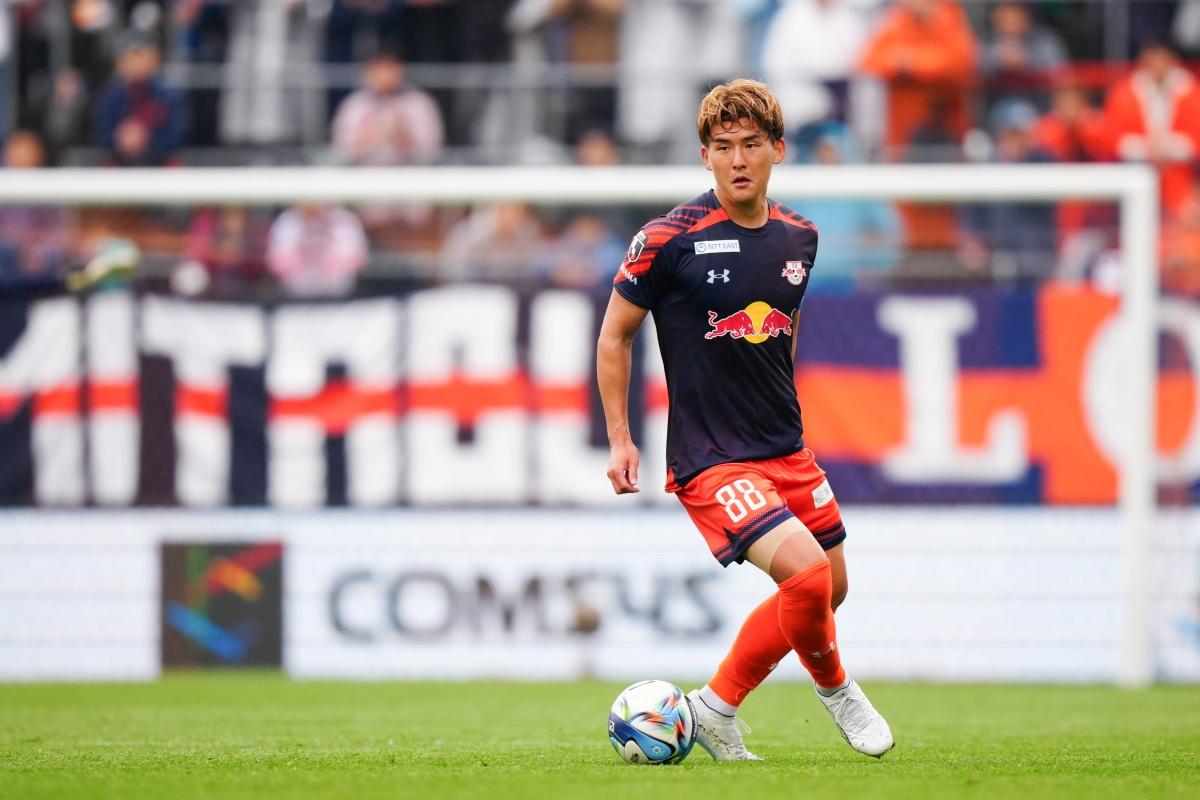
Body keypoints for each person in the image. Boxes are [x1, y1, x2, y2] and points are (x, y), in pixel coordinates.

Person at [595, 79, 893, 761]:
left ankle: (715, 708)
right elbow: (615, 336)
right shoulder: (665, 239)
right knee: (806, 576)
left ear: (777, 150)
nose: (737, 159)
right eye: (723, 146)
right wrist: (620, 438)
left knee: (829, 588)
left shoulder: (800, 236)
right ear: (704, 156)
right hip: (711, 456)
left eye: (751, 144)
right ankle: (839, 691)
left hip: (785, 447)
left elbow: (784, 327)